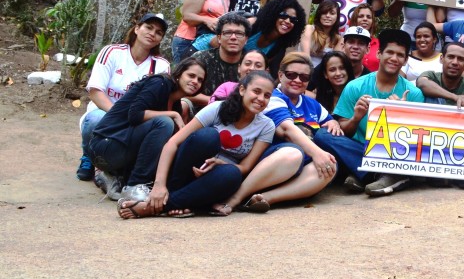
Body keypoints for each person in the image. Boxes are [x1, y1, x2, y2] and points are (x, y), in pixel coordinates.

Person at [117, 71, 276, 219]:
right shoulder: (217, 109)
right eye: (256, 91)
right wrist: (160, 185)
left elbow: (246, 167)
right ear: (242, 90)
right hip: (185, 170)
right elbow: (172, 143)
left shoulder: (266, 126)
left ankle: (154, 207)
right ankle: (174, 195)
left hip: (215, 178)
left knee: (233, 174)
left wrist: (221, 163)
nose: (261, 98)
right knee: (208, 136)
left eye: (267, 95)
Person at [217, 52, 338, 214]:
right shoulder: (270, 96)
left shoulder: (311, 104)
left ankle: (265, 198)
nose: (297, 80)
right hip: (270, 162)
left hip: (299, 168)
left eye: (304, 77)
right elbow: (286, 129)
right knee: (293, 153)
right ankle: (237, 197)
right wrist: (317, 153)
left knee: (331, 165)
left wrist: (333, 121)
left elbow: (329, 121)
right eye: (291, 75)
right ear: (280, 75)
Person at [89, 59, 207, 201]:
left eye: (200, 80)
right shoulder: (160, 83)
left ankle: (117, 177)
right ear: (179, 74)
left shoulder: (175, 103)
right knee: (164, 123)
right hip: (105, 146)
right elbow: (135, 115)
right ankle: (135, 185)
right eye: (191, 75)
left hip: (121, 151)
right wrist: (173, 115)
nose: (195, 82)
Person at [332, 29, 426, 197]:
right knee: (324, 136)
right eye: (389, 52)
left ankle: (364, 174)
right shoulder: (355, 86)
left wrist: (401, 115)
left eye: (400, 55)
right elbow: (344, 130)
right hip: (360, 148)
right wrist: (356, 117)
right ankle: (378, 175)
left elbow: (416, 141)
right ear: (380, 54)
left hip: (394, 152)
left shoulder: (413, 93)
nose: (394, 58)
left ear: (405, 60)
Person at [77, 13, 170, 181]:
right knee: (95, 120)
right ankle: (89, 156)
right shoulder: (112, 52)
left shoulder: (161, 65)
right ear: (136, 28)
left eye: (158, 32)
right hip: (104, 111)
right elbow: (95, 90)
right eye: (148, 27)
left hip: (136, 119)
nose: (152, 33)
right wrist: (118, 116)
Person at [187, 12, 250, 110]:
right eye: (228, 33)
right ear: (219, 38)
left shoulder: (251, 63)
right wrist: (217, 102)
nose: (233, 37)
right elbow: (183, 91)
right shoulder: (201, 58)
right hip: (200, 113)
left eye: (239, 34)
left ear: (246, 39)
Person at [416, 42, 464, 108]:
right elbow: (422, 83)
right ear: (441, 59)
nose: (455, 62)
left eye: (460, 59)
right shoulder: (432, 76)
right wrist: (456, 97)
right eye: (451, 57)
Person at [299, 0, 343, 69]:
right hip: (304, 69)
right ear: (319, 15)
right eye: (324, 13)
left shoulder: (338, 39)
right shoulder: (309, 29)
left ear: (337, 17)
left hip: (325, 74)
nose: (328, 16)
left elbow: (335, 62)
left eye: (332, 13)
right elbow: (305, 56)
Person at [349, 3, 381, 71]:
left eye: (369, 17)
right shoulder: (344, 41)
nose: (365, 19)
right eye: (361, 16)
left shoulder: (379, 44)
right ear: (355, 19)